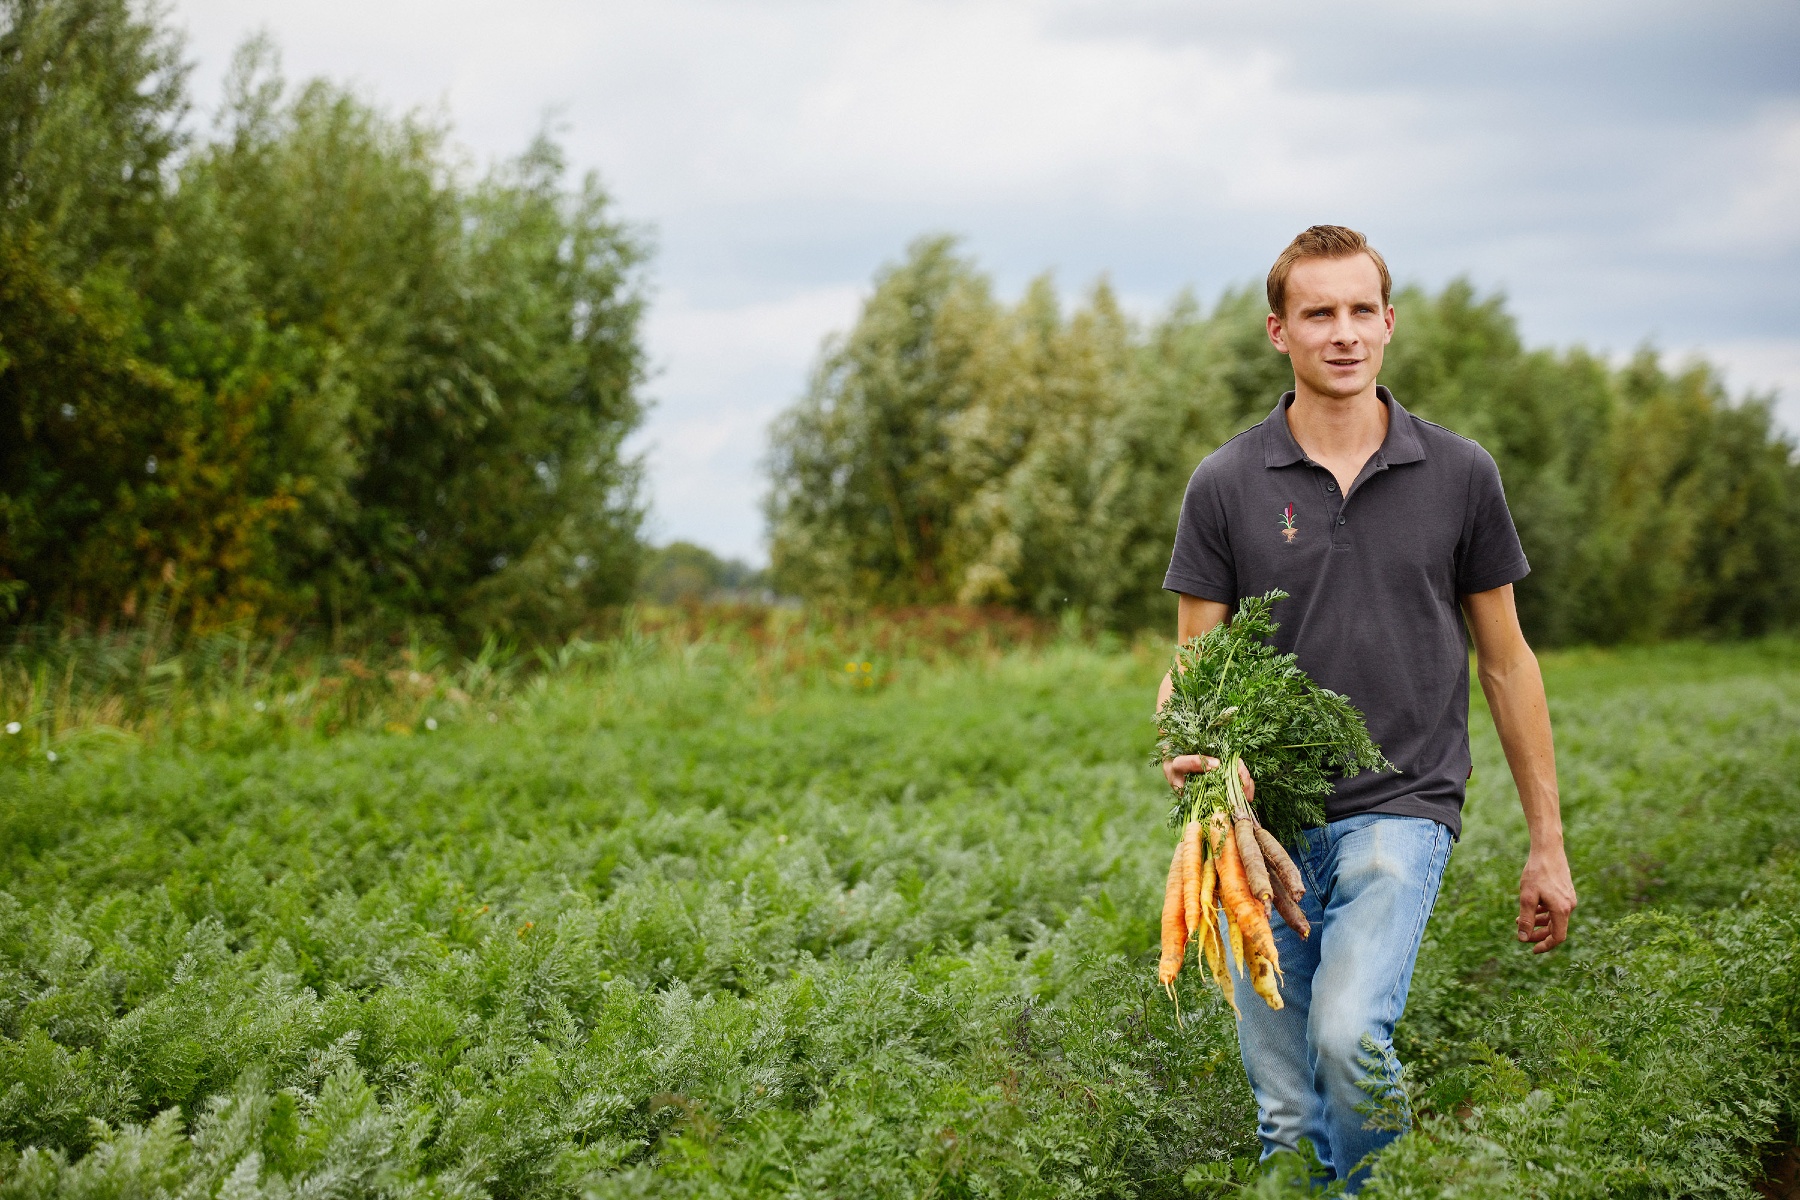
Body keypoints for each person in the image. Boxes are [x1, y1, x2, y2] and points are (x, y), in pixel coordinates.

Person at [1156, 225, 1577, 1190]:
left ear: (1389, 323)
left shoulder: (1461, 474)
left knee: (1347, 1038)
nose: (1342, 332)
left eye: (1360, 311)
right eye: (1319, 313)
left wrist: (1546, 846)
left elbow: (1508, 665)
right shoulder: (1225, 483)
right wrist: (1183, 743)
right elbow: (1192, 667)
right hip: (1255, 825)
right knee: (1288, 1115)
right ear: (1279, 331)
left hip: (1403, 803)